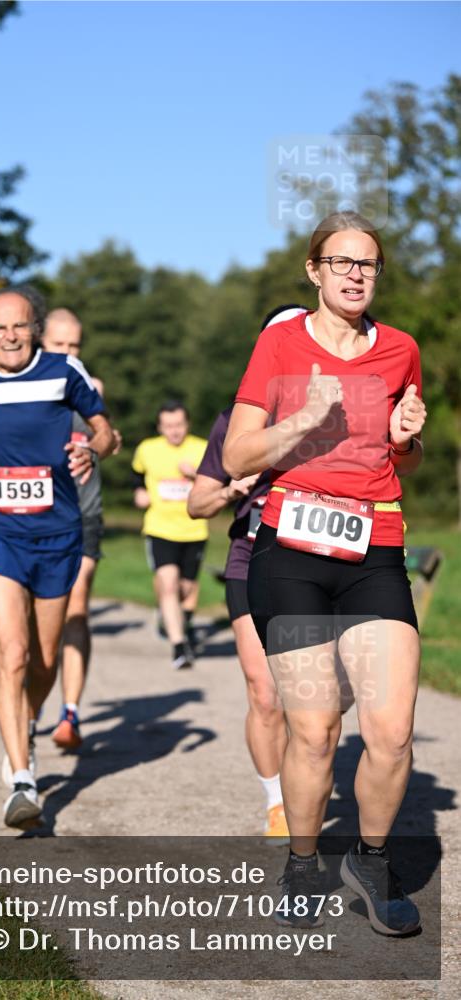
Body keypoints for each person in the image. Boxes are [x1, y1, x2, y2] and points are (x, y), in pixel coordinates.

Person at [223, 211, 427, 935]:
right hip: (291, 556)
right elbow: (238, 456)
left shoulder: (400, 349)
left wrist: (405, 443)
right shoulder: (280, 343)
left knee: (391, 731)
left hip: (375, 548)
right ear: (314, 271)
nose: (354, 275)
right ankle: (303, 862)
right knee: (313, 731)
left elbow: (404, 460)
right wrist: (302, 419)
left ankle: (371, 860)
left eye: (366, 264)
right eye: (340, 262)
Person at [0, 285, 114, 828]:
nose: (10, 336)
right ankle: (21, 780)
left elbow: (107, 432)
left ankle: (28, 721)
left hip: (58, 532)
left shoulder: (63, 372)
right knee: (11, 652)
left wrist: (91, 450)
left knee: (44, 658)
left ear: (35, 329)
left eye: (19, 325)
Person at [187, 305, 307, 839]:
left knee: (316, 698)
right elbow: (196, 504)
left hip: (317, 565)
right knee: (264, 692)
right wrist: (229, 490)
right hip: (250, 561)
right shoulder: (234, 421)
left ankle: (311, 781)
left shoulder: (339, 416)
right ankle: (278, 801)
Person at [40, 308, 122, 750]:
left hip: (83, 515)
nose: (69, 354)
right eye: (59, 346)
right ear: (41, 344)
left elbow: (110, 439)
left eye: (75, 346)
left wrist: (101, 445)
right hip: (36, 520)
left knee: (76, 606)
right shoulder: (23, 392)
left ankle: (69, 712)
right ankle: (32, 700)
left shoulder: (92, 389)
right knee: (37, 623)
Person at [132, 402, 208, 669]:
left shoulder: (201, 448)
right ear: (160, 427)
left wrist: (195, 474)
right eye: (168, 426)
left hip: (194, 529)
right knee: (168, 583)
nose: (174, 431)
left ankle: (173, 616)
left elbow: (219, 483)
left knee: (186, 588)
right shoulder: (147, 449)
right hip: (159, 528)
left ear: (187, 424)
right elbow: (136, 474)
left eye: (178, 425)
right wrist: (139, 492)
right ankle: (179, 647)